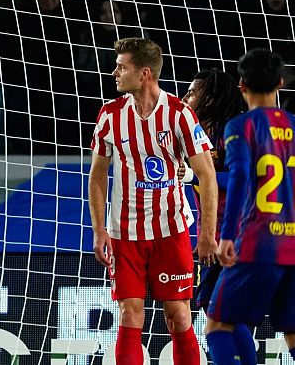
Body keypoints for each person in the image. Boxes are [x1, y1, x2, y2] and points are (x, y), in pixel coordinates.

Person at [204, 48, 295, 365]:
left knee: (217, 327)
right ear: (281, 83)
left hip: (258, 245)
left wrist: (226, 237)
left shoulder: (242, 126)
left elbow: (239, 178)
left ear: (242, 86)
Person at [88, 37, 218, 365]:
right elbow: (98, 175)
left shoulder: (179, 114)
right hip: (124, 233)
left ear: (145, 73)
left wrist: (207, 234)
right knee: (130, 315)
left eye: (122, 67)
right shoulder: (110, 115)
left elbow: (207, 175)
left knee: (178, 316)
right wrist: (99, 230)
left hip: (171, 229)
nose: (115, 73)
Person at [179, 68, 256, 364]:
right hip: (215, 236)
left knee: (221, 318)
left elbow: (244, 179)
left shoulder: (232, 132)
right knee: (217, 313)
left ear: (210, 99)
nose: (186, 97)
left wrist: (192, 176)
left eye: (192, 92)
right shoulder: (195, 135)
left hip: (239, 235)